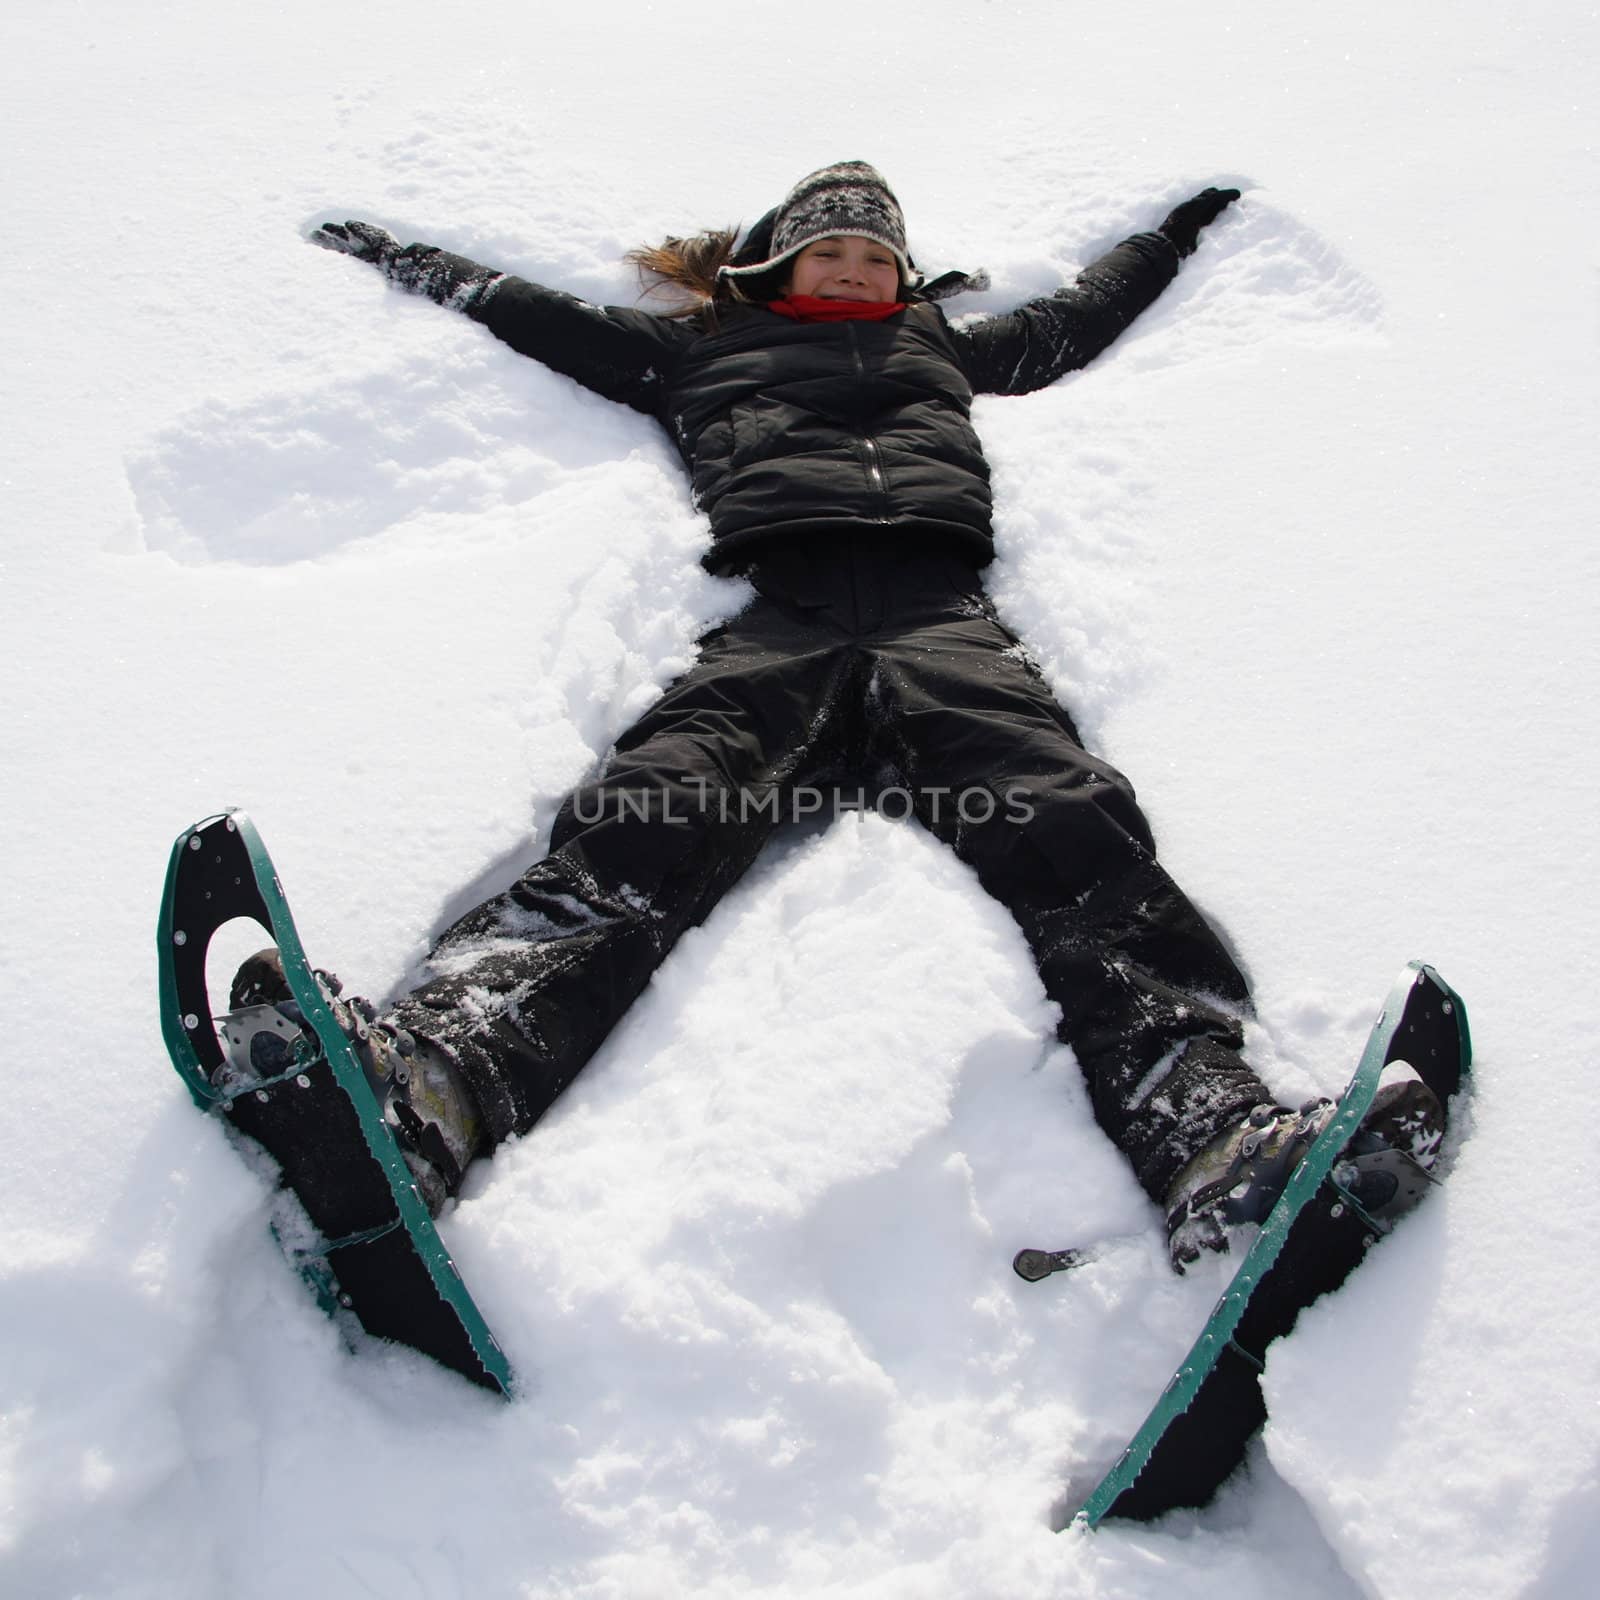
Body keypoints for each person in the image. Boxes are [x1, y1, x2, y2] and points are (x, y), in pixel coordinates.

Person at [236, 161, 1440, 1267]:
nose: (860, 270)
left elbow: (1076, 319)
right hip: (784, 620)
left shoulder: (942, 347)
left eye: (878, 257)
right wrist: (405, 256)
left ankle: (1216, 1136)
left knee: (1072, 826)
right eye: (833, 255)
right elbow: (528, 311)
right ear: (773, 267)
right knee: (653, 810)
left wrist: (1170, 234)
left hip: (941, 623)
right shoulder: (697, 349)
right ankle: (434, 1079)